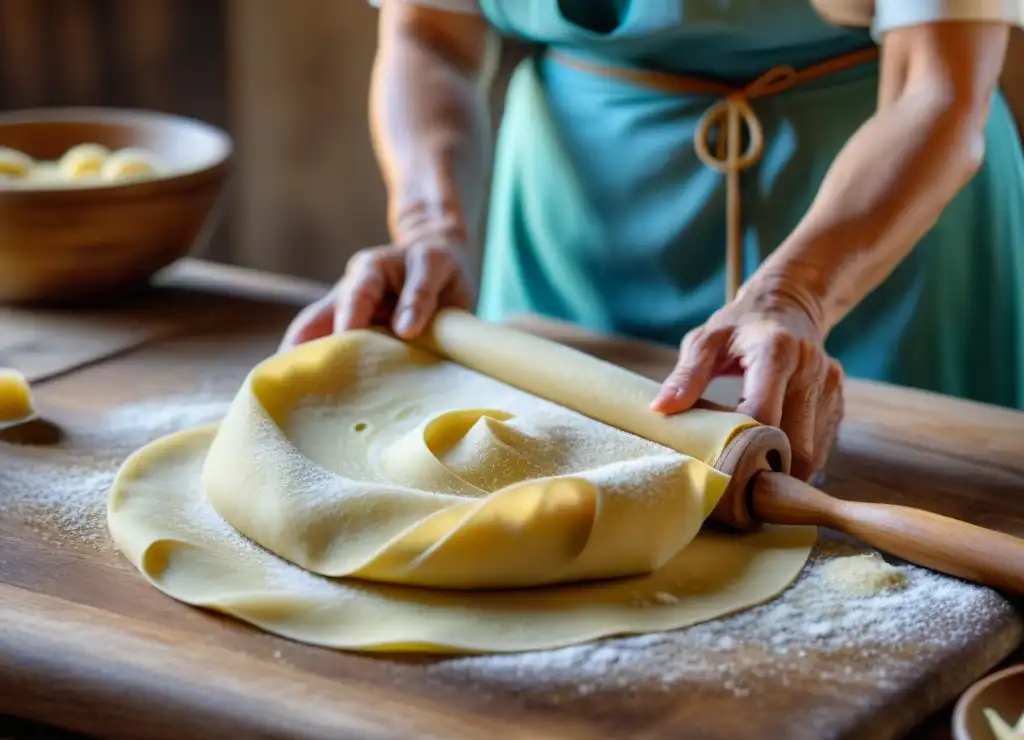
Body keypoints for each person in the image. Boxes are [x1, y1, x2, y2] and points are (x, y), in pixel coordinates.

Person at [281, 0, 1024, 481]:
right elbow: (429, 36)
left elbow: (936, 88)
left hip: (884, 218)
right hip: (575, 219)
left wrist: (794, 292)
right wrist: (430, 227)